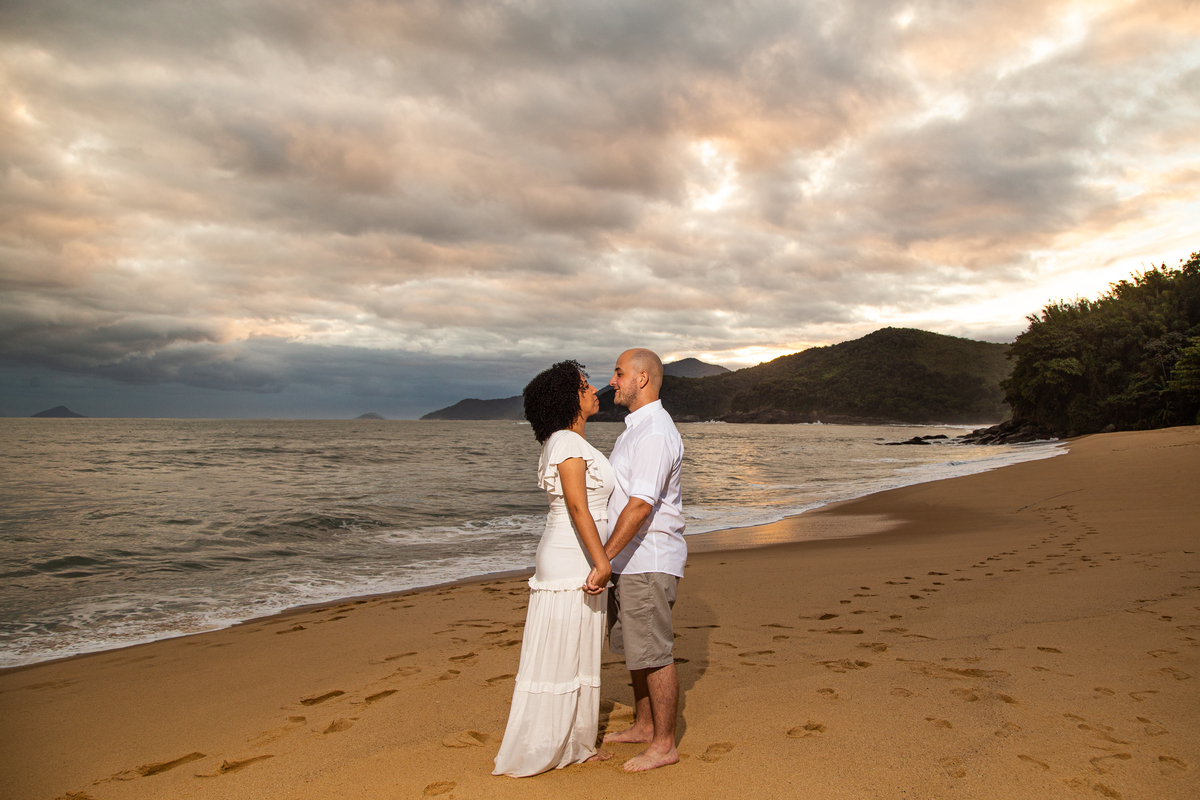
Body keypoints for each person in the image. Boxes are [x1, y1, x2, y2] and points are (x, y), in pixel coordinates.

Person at [493, 360, 615, 777]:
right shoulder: (565, 441)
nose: (594, 388)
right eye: (584, 385)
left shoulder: (572, 441)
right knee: (564, 650)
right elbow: (577, 505)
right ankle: (546, 744)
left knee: (580, 648)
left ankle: (577, 742)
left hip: (578, 552)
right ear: (569, 399)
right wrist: (602, 561)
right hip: (571, 555)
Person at [601, 348, 686, 772]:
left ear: (642, 379)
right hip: (630, 562)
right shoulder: (634, 429)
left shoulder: (654, 432)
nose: (612, 381)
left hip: (648, 559)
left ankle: (665, 744)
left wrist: (603, 557)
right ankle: (644, 725)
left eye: (619, 373)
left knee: (654, 653)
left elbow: (639, 506)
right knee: (637, 648)